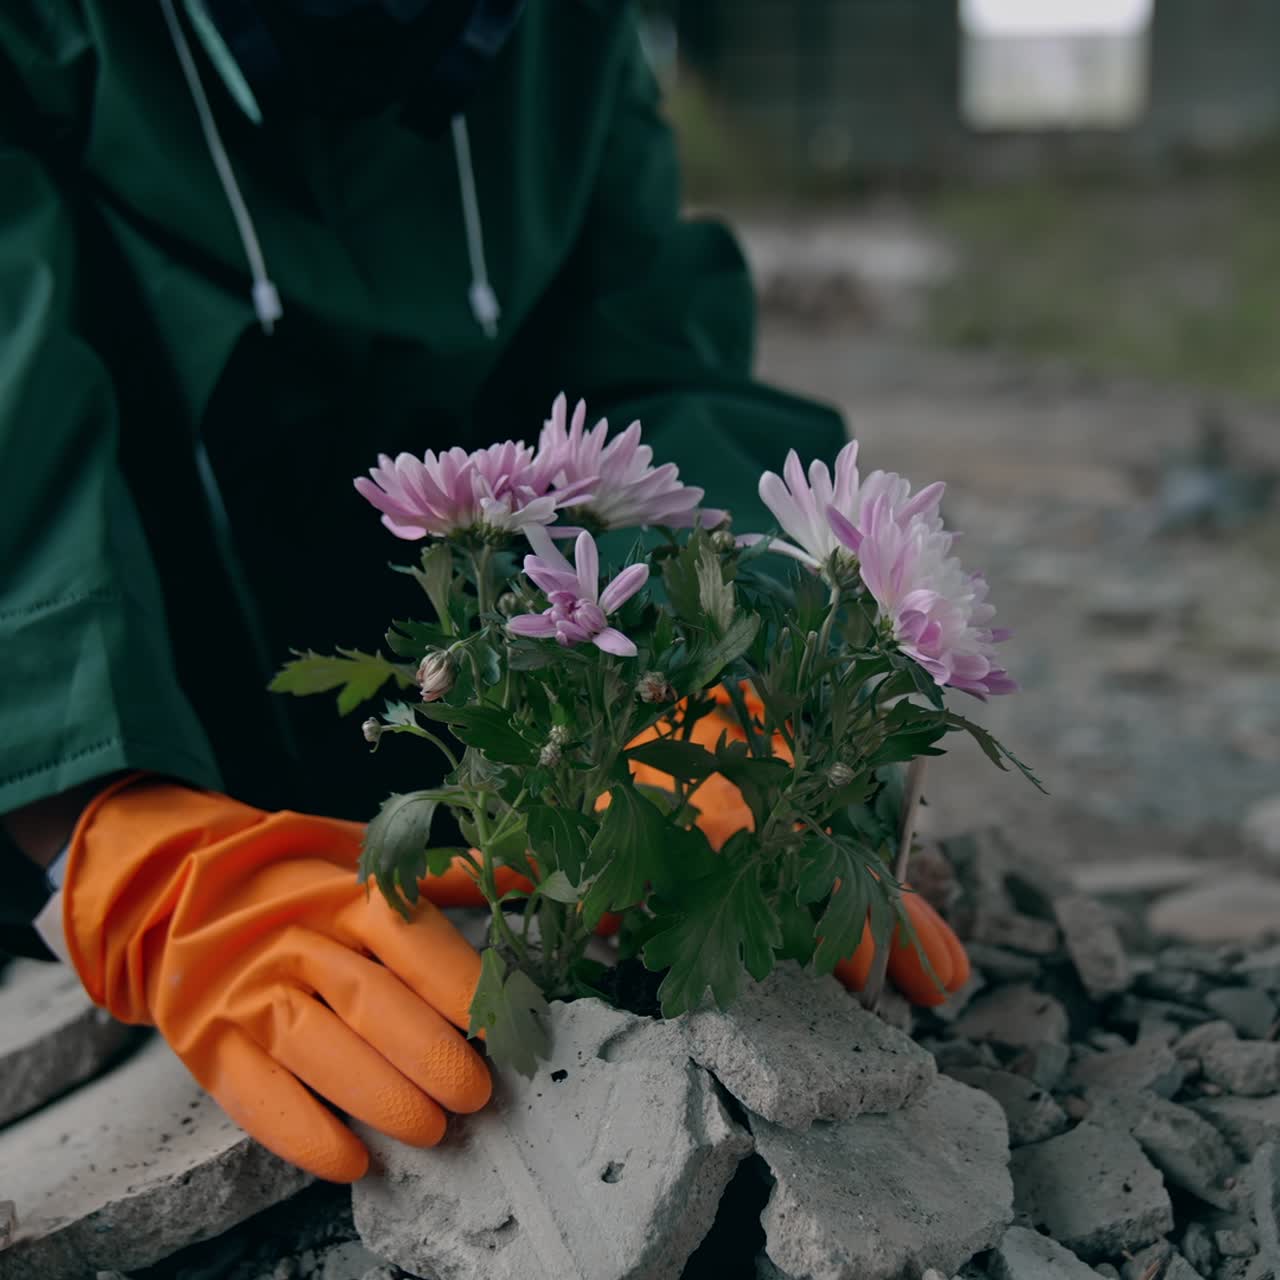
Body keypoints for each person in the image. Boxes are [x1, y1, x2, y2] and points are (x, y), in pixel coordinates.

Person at [0, 0, 942, 1184]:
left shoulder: (564, 42)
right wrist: (106, 833)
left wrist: (738, 678)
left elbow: (656, 368)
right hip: (119, 707)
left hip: (486, 772)